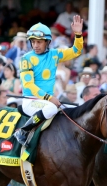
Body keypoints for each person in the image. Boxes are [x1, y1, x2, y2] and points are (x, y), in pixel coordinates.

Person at [14, 15, 83, 145]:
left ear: (47, 42)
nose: (35, 45)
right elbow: (29, 85)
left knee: (74, 111)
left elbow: (76, 51)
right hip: (31, 101)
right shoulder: (26, 59)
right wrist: (49, 98)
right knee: (51, 109)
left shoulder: (55, 55)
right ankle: (22, 131)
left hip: (47, 101)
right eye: (33, 42)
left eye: (39, 42)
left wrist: (78, 34)